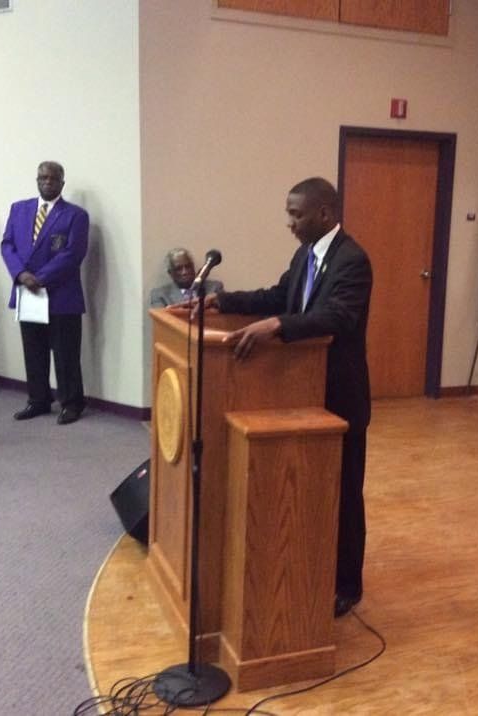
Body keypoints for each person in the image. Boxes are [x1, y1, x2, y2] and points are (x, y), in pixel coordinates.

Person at [201, 177, 372, 618]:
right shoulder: (305, 254)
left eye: (296, 214)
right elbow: (280, 296)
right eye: (288, 213)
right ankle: (312, 565)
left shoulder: (352, 260)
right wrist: (222, 302)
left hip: (340, 394)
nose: (289, 223)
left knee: (344, 491)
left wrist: (277, 326)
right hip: (302, 391)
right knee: (310, 490)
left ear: (324, 214)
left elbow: (337, 316)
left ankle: (347, 585)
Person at [1, 161, 89, 425]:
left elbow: (73, 253)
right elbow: (7, 245)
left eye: (53, 178)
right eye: (42, 177)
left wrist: (40, 278)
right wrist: (20, 274)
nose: (47, 182)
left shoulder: (75, 215)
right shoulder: (19, 209)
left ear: (62, 182)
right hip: (28, 293)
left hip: (61, 294)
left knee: (65, 354)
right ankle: (38, 400)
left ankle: (71, 403)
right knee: (33, 350)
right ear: (37, 180)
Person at [149, 248, 223, 307]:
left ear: (193, 267)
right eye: (178, 269)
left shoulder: (214, 288)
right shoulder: (160, 294)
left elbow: (223, 315)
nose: (184, 272)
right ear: (170, 273)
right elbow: (160, 319)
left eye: (188, 267)